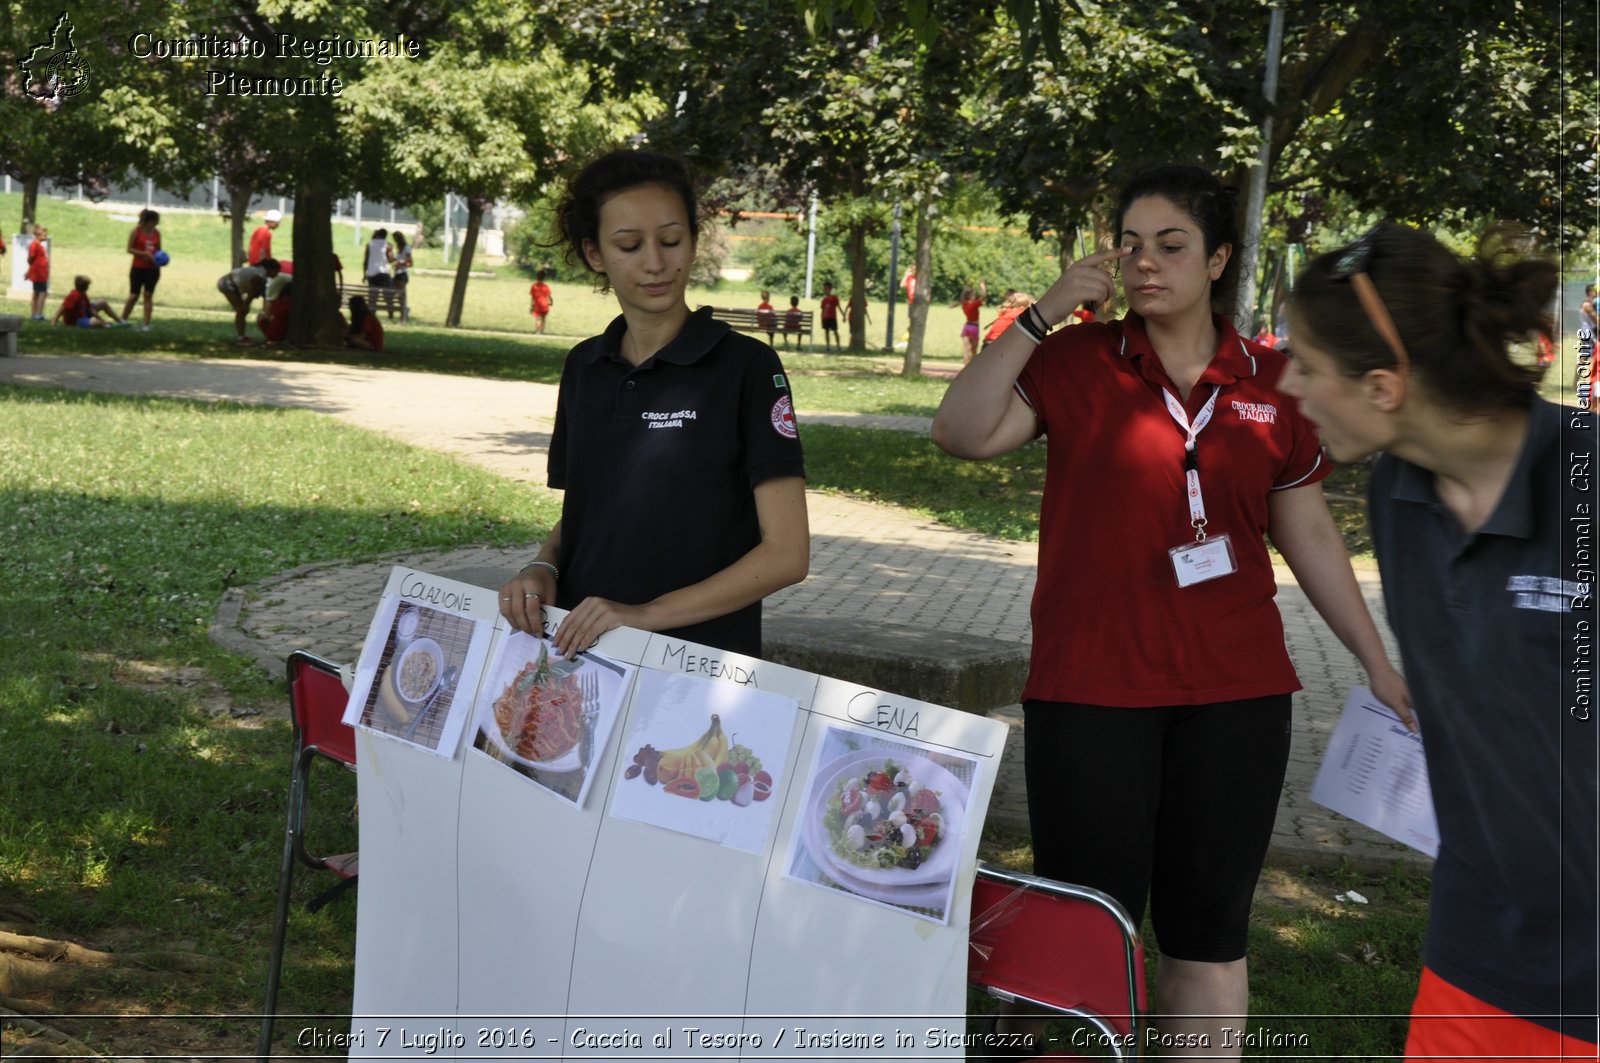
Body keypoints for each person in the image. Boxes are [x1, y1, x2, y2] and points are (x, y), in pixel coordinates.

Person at [932, 165, 1410, 1061]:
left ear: (1220, 257)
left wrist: (1377, 663)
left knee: (1207, 932)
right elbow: (960, 432)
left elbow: (1304, 529)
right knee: (1083, 927)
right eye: (1130, 244)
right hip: (1091, 688)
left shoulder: (1272, 379)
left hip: (1236, 694)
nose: (1145, 263)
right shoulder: (1075, 360)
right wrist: (1039, 314)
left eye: (1171, 244)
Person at [1278, 222, 1597, 1061]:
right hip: (1477, 959)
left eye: (1306, 364)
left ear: (1383, 386)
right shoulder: (1398, 494)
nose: (1288, 384)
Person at [497, 150, 808, 660]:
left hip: (697, 667)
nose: (656, 263)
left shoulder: (747, 368)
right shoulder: (584, 366)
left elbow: (787, 555)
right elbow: (589, 512)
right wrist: (542, 566)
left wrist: (644, 616)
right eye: (629, 245)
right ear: (595, 254)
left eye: (670, 240)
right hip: (583, 658)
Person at [217, 258, 279, 345]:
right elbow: (253, 290)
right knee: (241, 310)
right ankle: (241, 337)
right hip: (228, 284)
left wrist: (247, 303)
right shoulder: (261, 274)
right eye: (276, 271)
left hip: (229, 283)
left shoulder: (259, 271)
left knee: (243, 310)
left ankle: (242, 336)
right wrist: (246, 303)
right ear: (270, 269)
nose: (277, 274)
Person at [122, 209, 161, 331]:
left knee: (148, 295)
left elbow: (159, 250)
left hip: (153, 269)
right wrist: (144, 254)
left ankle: (146, 324)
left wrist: (160, 258)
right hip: (138, 267)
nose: (156, 224)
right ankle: (123, 319)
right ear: (148, 221)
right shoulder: (136, 232)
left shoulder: (157, 233)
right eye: (154, 221)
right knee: (134, 295)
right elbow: (129, 249)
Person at [54, 275, 127, 327]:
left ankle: (120, 321)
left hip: (83, 313)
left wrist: (102, 320)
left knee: (103, 303)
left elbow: (90, 309)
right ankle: (105, 326)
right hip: (76, 320)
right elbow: (63, 308)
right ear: (85, 287)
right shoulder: (74, 295)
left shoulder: (83, 294)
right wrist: (54, 321)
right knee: (96, 323)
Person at [957, 283, 987, 363]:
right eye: (973, 294)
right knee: (974, 351)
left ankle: (965, 368)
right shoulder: (974, 304)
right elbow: (983, 297)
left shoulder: (964, 304)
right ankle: (973, 369)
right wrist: (983, 287)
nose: (974, 296)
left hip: (966, 326)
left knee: (966, 350)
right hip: (974, 327)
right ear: (970, 296)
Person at [26, 225, 50, 321]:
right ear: (38, 234)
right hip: (39, 274)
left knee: (36, 293)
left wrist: (29, 271)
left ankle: (34, 313)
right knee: (42, 293)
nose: (46, 235)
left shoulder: (39, 245)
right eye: (44, 234)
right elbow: (31, 258)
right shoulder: (35, 244)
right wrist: (31, 269)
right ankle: (38, 314)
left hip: (41, 273)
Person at [389, 230, 412, 319]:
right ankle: (403, 311)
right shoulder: (398, 249)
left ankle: (403, 313)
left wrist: (400, 264)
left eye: (396, 239)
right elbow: (391, 260)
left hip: (402, 274)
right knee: (394, 294)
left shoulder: (406, 248)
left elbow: (410, 263)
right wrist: (390, 252)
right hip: (397, 274)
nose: (395, 241)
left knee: (400, 295)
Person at [819, 281, 841, 352]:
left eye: (826, 288)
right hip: (825, 318)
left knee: (835, 331)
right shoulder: (824, 300)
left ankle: (838, 346)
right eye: (824, 288)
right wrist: (821, 318)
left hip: (832, 317)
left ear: (830, 289)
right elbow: (822, 310)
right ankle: (828, 346)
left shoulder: (834, 298)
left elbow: (838, 306)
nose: (825, 290)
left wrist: (843, 314)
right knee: (826, 332)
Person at [530, 268, 553, 333]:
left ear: (537, 277)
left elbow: (533, 297)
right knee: (543, 319)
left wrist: (532, 306)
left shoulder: (534, 286)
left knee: (538, 318)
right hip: (545, 305)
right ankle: (542, 331)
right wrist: (551, 302)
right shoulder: (545, 286)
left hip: (537, 305)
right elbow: (549, 296)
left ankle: (537, 330)